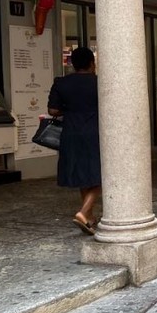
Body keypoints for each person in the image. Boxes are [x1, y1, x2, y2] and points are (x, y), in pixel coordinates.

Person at [48, 47, 101, 235]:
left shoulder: (61, 83)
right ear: (91, 63)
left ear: (72, 64)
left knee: (81, 172)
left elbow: (53, 111)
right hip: (95, 132)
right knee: (101, 173)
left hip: (71, 132)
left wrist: (70, 111)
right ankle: (84, 212)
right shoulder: (99, 83)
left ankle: (90, 217)